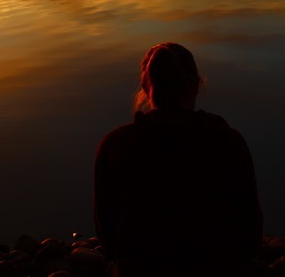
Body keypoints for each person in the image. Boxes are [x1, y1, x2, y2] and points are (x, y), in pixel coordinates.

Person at [94, 42, 262, 277]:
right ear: (196, 84)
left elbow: (108, 237)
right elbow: (251, 230)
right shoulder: (228, 142)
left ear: (145, 85)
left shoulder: (114, 145)